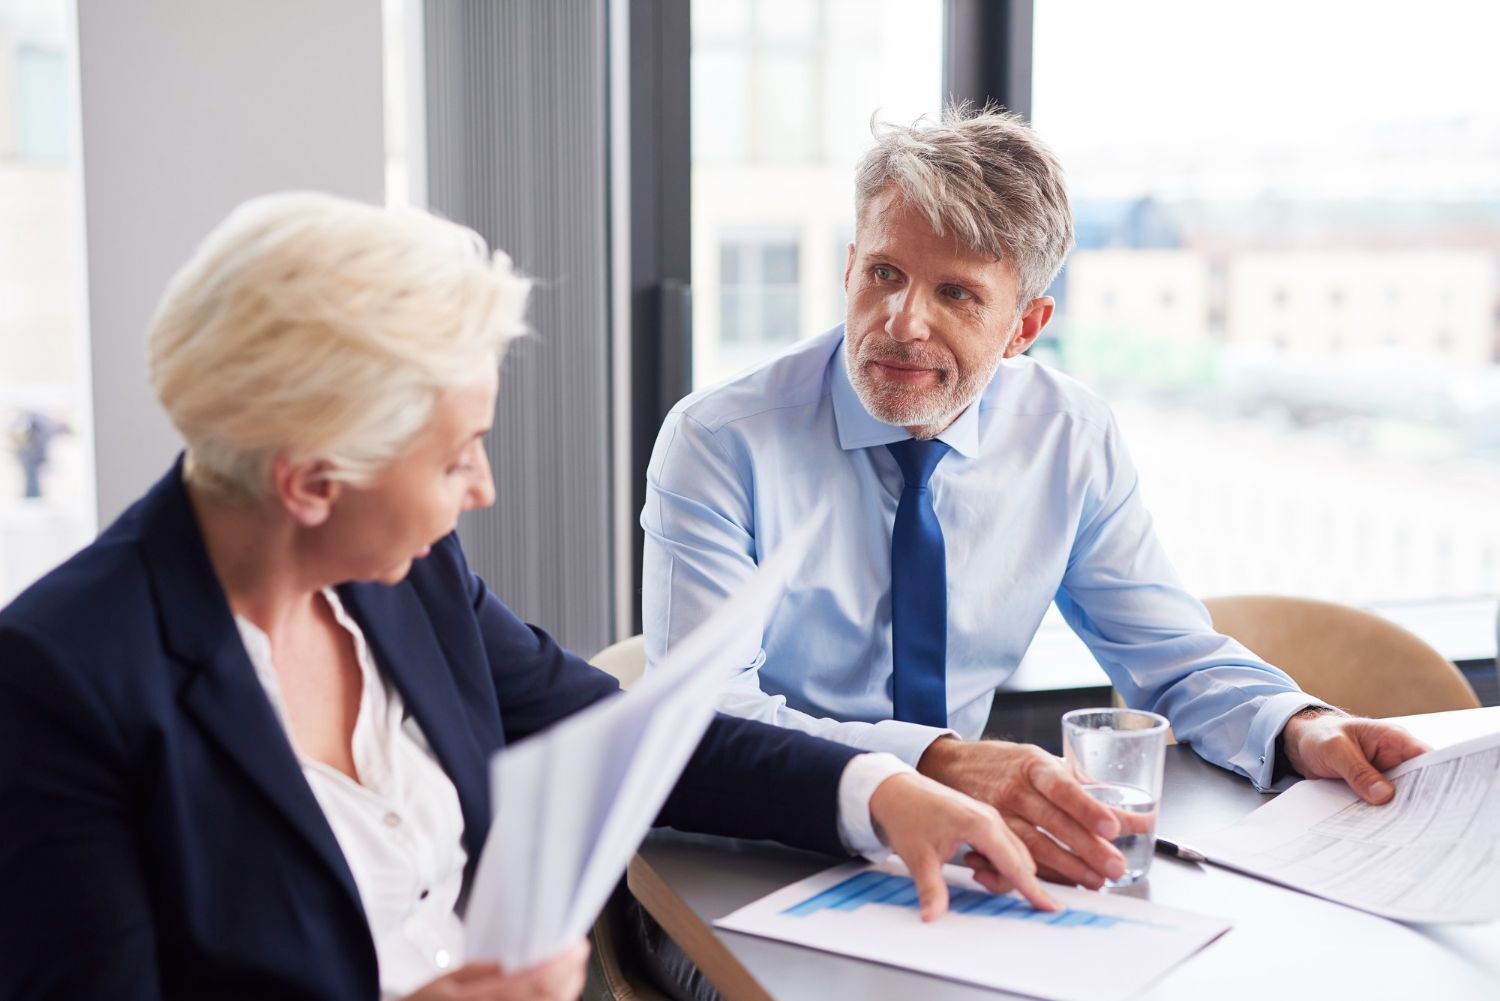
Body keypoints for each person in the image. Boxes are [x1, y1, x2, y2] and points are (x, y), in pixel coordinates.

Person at [0, 193, 1055, 1001]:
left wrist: (878, 789)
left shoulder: (407, 579)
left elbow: (628, 733)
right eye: (459, 455)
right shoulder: (61, 683)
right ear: (311, 482)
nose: (483, 489)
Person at [641, 107, 1429, 891]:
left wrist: (1301, 727)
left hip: (967, 854)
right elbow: (706, 722)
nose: (903, 321)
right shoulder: (720, 441)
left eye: (956, 293)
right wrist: (941, 762)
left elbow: (1173, 658)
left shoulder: (1068, 436)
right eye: (885, 273)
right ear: (850, 268)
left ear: (1026, 326)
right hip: (752, 855)